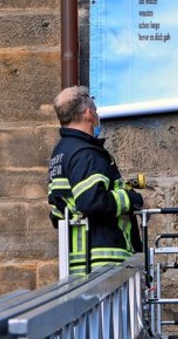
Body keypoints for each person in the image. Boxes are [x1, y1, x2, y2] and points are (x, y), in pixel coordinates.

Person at [48, 86, 144, 277]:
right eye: (96, 111)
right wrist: (133, 199)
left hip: (81, 264)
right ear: (89, 114)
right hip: (103, 266)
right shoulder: (85, 154)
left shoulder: (61, 153)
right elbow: (92, 202)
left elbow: (58, 212)